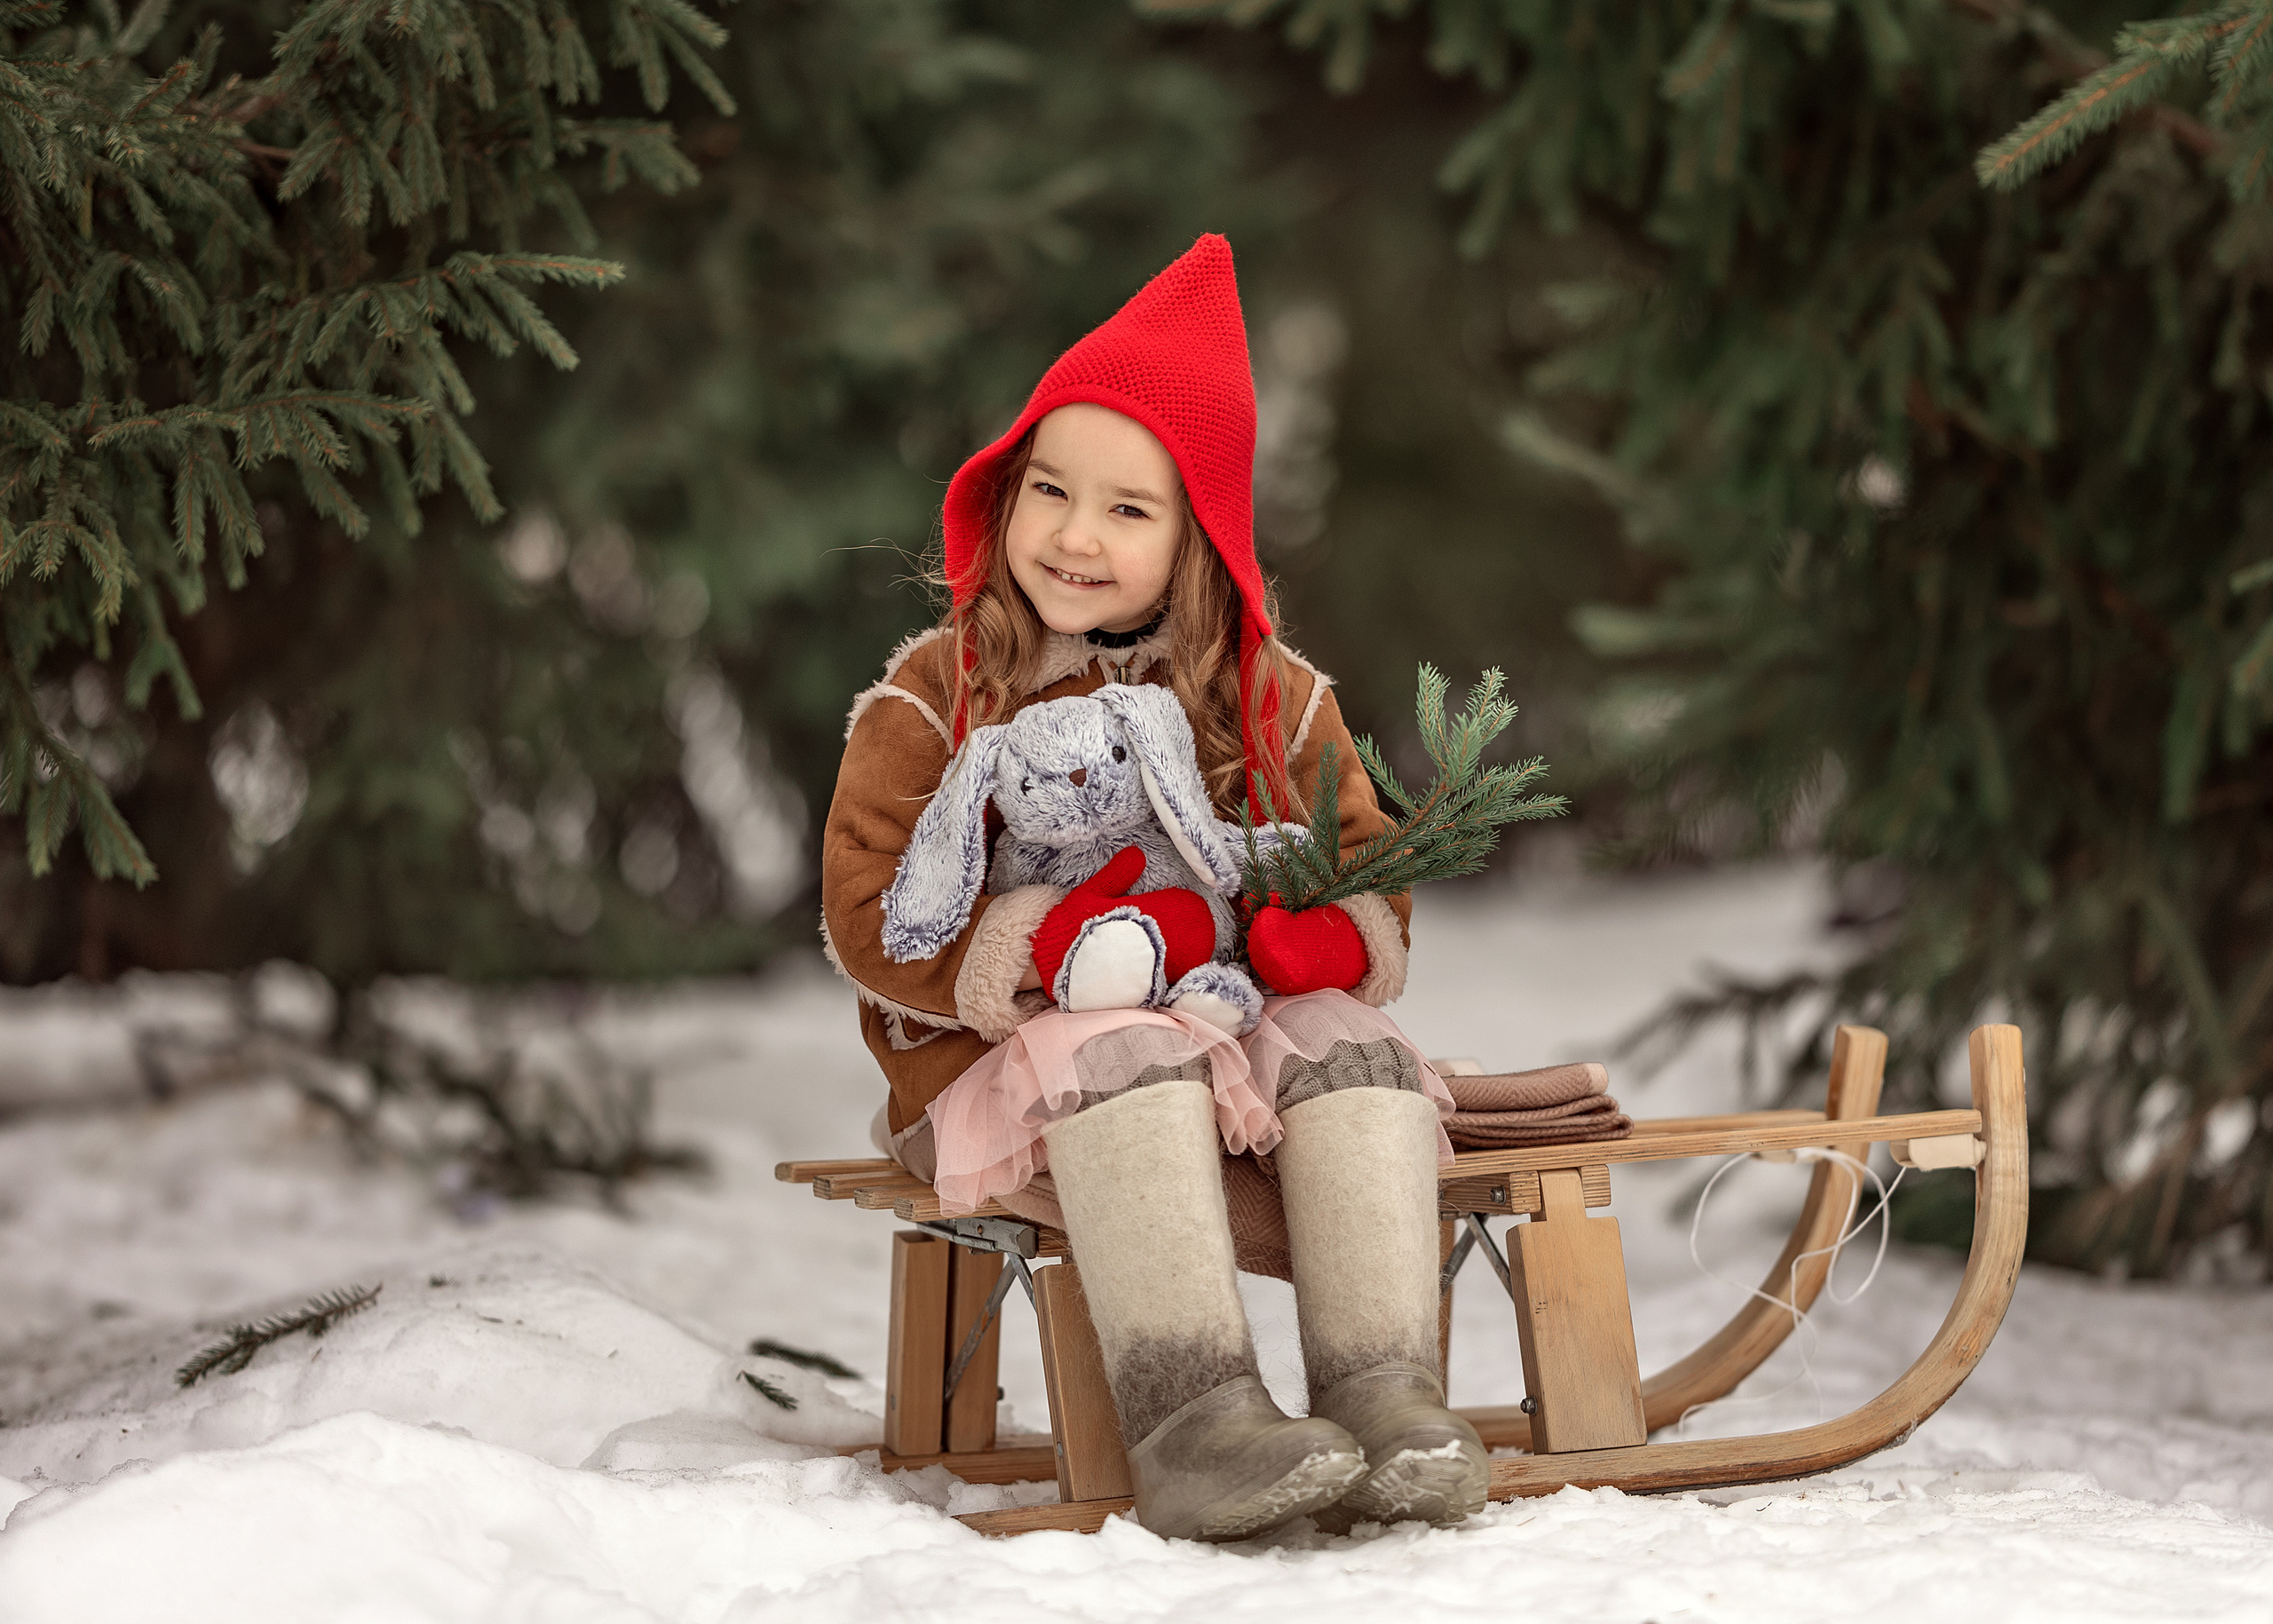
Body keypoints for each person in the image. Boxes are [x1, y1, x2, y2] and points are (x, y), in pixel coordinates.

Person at [821, 235, 1489, 1541]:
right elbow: (862, 908)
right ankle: (1196, 1418)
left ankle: (1388, 1391)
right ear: (1004, 494)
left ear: (1198, 537)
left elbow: (1370, 859)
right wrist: (1005, 942)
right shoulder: (937, 688)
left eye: (1127, 509)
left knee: (1354, 1049)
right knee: (1119, 1038)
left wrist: (1333, 927)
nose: (1073, 536)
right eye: (1049, 491)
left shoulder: (1269, 692)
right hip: (988, 1062)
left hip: (1222, 1011)